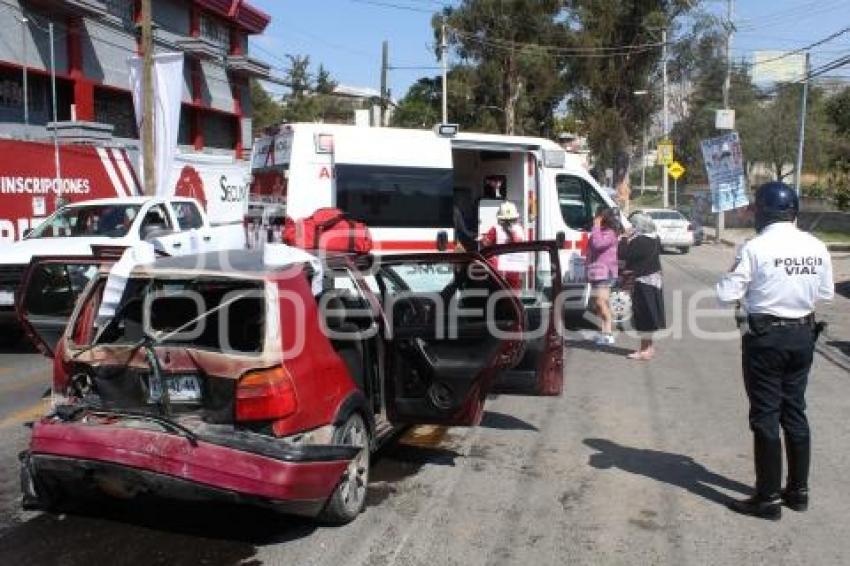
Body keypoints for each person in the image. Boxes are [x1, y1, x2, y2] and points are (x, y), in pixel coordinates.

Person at [716, 181, 834, 520]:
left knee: (765, 415)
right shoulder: (816, 246)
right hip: (803, 336)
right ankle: (798, 491)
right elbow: (825, 293)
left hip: (766, 339)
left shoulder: (754, 247)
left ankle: (767, 498)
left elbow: (725, 295)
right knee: (794, 411)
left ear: (763, 212)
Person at [621, 213, 665, 360]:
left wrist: (624, 238)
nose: (631, 227)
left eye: (633, 225)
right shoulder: (655, 238)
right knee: (650, 316)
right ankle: (649, 347)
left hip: (643, 281)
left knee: (644, 316)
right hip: (654, 281)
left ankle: (644, 350)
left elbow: (623, 254)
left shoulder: (639, 241)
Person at [587, 207, 622, 345]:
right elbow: (590, 251)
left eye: (598, 217)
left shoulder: (611, 233)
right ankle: (602, 332)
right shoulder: (599, 232)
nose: (596, 218)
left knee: (602, 302)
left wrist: (595, 227)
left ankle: (608, 333)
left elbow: (598, 245)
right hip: (595, 272)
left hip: (605, 272)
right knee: (597, 304)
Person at [481, 201, 526, 289]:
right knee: (513, 296)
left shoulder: (495, 229)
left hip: (498, 271)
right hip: (515, 269)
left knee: (498, 294)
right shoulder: (520, 229)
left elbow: (485, 244)